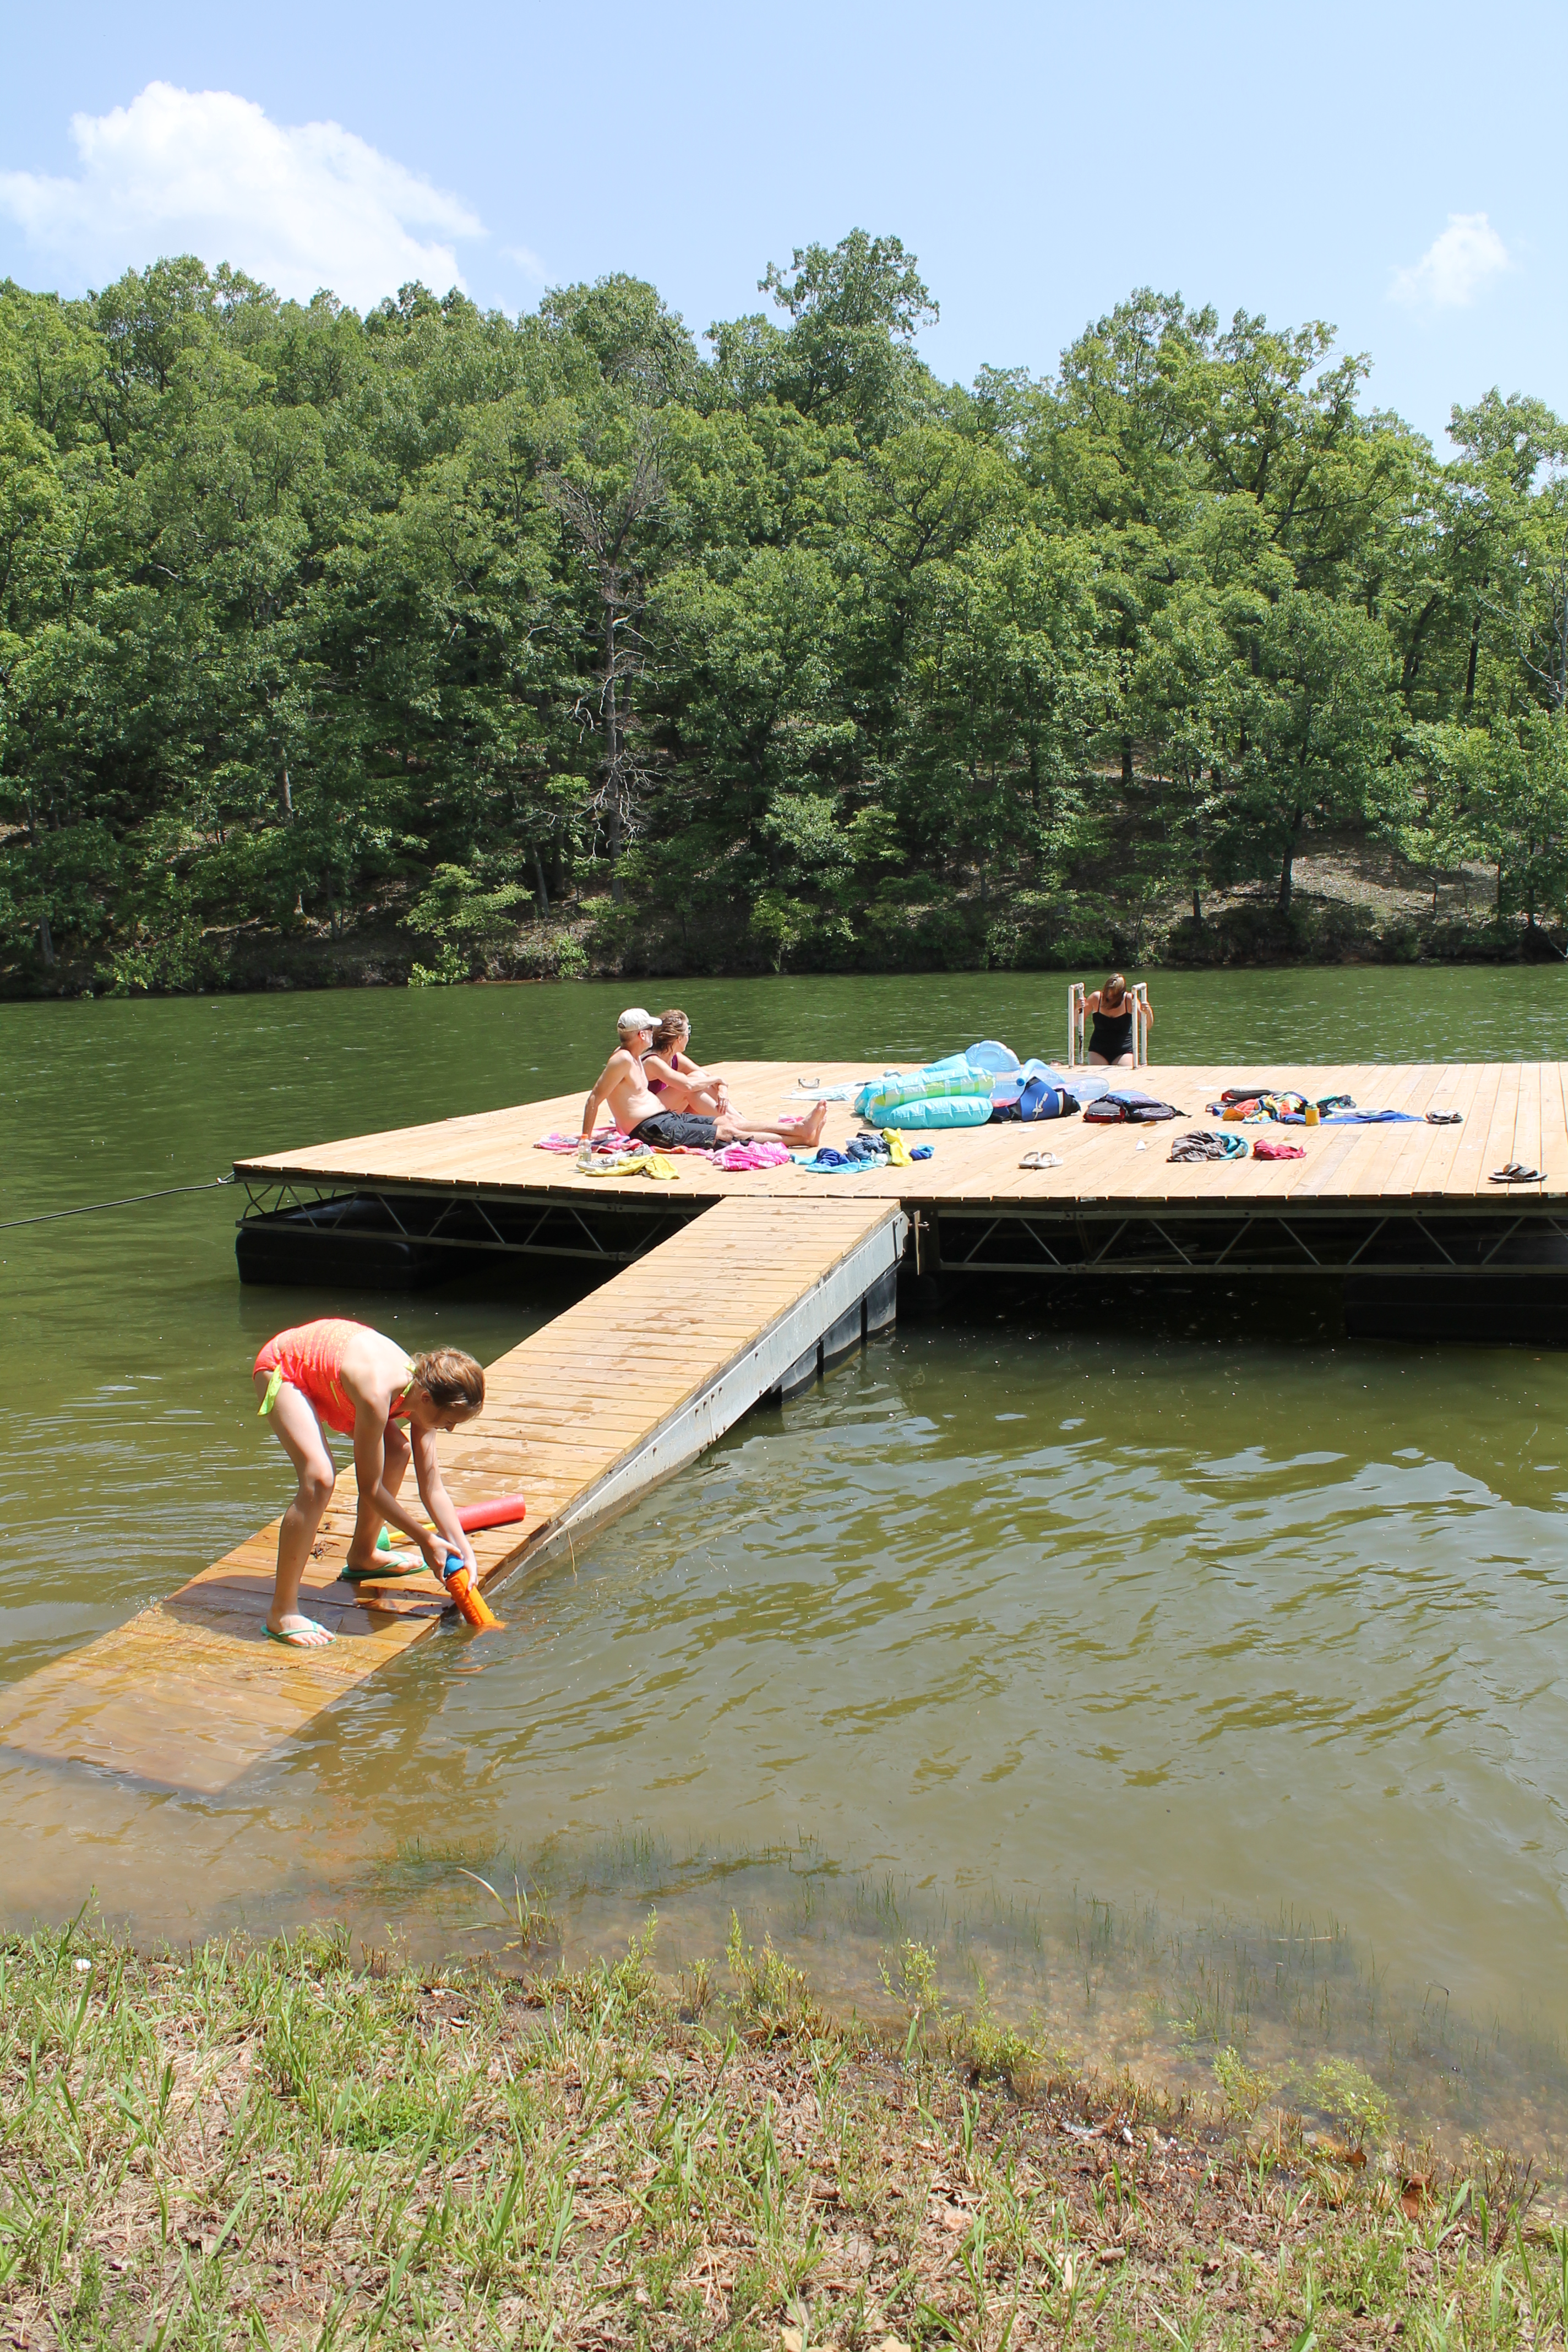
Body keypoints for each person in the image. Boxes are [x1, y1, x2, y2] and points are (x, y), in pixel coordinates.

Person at [252, 1319, 485, 1649]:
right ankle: (282, 1612)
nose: (448, 1430)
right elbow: (370, 1488)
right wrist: (425, 1540)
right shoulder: (379, 1392)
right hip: (288, 1369)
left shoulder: (425, 1394)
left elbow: (432, 1488)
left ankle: (363, 1555)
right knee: (319, 1478)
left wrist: (463, 1548)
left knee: (398, 1451)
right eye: (449, 1423)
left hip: (335, 1378)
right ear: (425, 1399)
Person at [578, 1007, 827, 1158]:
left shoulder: (632, 1057)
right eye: (650, 1030)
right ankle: (802, 1137)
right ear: (642, 1035)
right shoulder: (621, 1060)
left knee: (726, 1122)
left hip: (665, 1118)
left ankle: (799, 1130)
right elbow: (594, 1097)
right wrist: (585, 1137)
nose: (654, 1034)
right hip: (651, 1128)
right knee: (728, 1135)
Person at [643, 1009, 731, 1116]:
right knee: (688, 1087)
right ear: (679, 1038)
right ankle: (734, 1122)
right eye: (688, 1031)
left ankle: (739, 1119)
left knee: (698, 1077)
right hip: (647, 1117)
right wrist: (718, 1079)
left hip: (665, 1109)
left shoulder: (675, 1058)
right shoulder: (652, 1061)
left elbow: (707, 1077)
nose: (689, 1035)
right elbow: (687, 1086)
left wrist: (723, 1089)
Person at [1084, 973, 1153, 1068]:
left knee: (1123, 1072)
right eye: (1108, 996)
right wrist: (1077, 1008)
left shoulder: (1129, 1000)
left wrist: (1148, 1012)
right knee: (1098, 1073)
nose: (1110, 999)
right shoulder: (1096, 998)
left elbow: (1147, 1026)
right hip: (1098, 1050)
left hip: (1123, 1051)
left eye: (1114, 997)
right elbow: (1076, 1022)